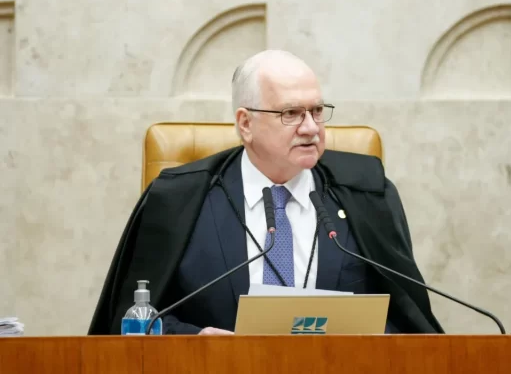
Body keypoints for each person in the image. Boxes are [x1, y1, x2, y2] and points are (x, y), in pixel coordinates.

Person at [88, 50, 443, 335]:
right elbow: (132, 323)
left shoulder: (367, 194)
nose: (311, 128)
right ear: (246, 123)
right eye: (291, 113)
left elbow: (409, 323)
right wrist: (196, 341)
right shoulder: (177, 200)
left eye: (317, 111)